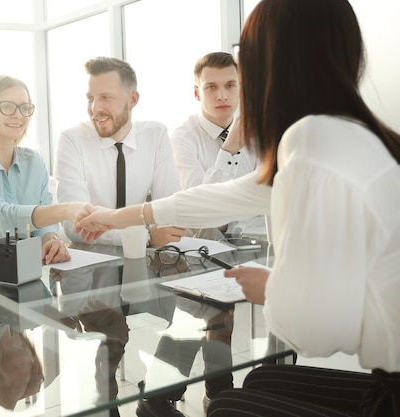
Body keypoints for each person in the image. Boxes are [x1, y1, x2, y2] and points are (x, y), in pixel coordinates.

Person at [75, 0, 400, 415]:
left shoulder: (313, 140)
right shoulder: (353, 132)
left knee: (227, 407)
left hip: (390, 391)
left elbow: (316, 334)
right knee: (259, 374)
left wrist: (273, 288)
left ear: (271, 62)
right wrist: (121, 216)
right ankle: (160, 397)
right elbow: (225, 195)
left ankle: (157, 398)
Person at [0, 75, 91, 264]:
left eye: (25, 108)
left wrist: (50, 239)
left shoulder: (34, 162)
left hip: (30, 274)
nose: (18, 115)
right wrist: (65, 210)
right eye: (7, 106)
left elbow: (45, 223)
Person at [54, 56, 184, 247]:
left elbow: (169, 211)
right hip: (91, 264)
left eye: (106, 97)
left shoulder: (155, 135)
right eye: (91, 98)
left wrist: (149, 235)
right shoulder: (71, 140)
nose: (95, 108)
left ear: (133, 99)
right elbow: (75, 227)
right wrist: (145, 237)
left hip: (147, 260)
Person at [170, 52, 259, 238]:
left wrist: (229, 220)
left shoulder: (257, 135)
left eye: (230, 86)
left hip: (255, 249)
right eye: (211, 87)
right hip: (200, 257)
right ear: (197, 93)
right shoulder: (182, 139)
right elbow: (202, 208)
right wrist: (229, 150)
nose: (222, 96)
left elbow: (264, 203)